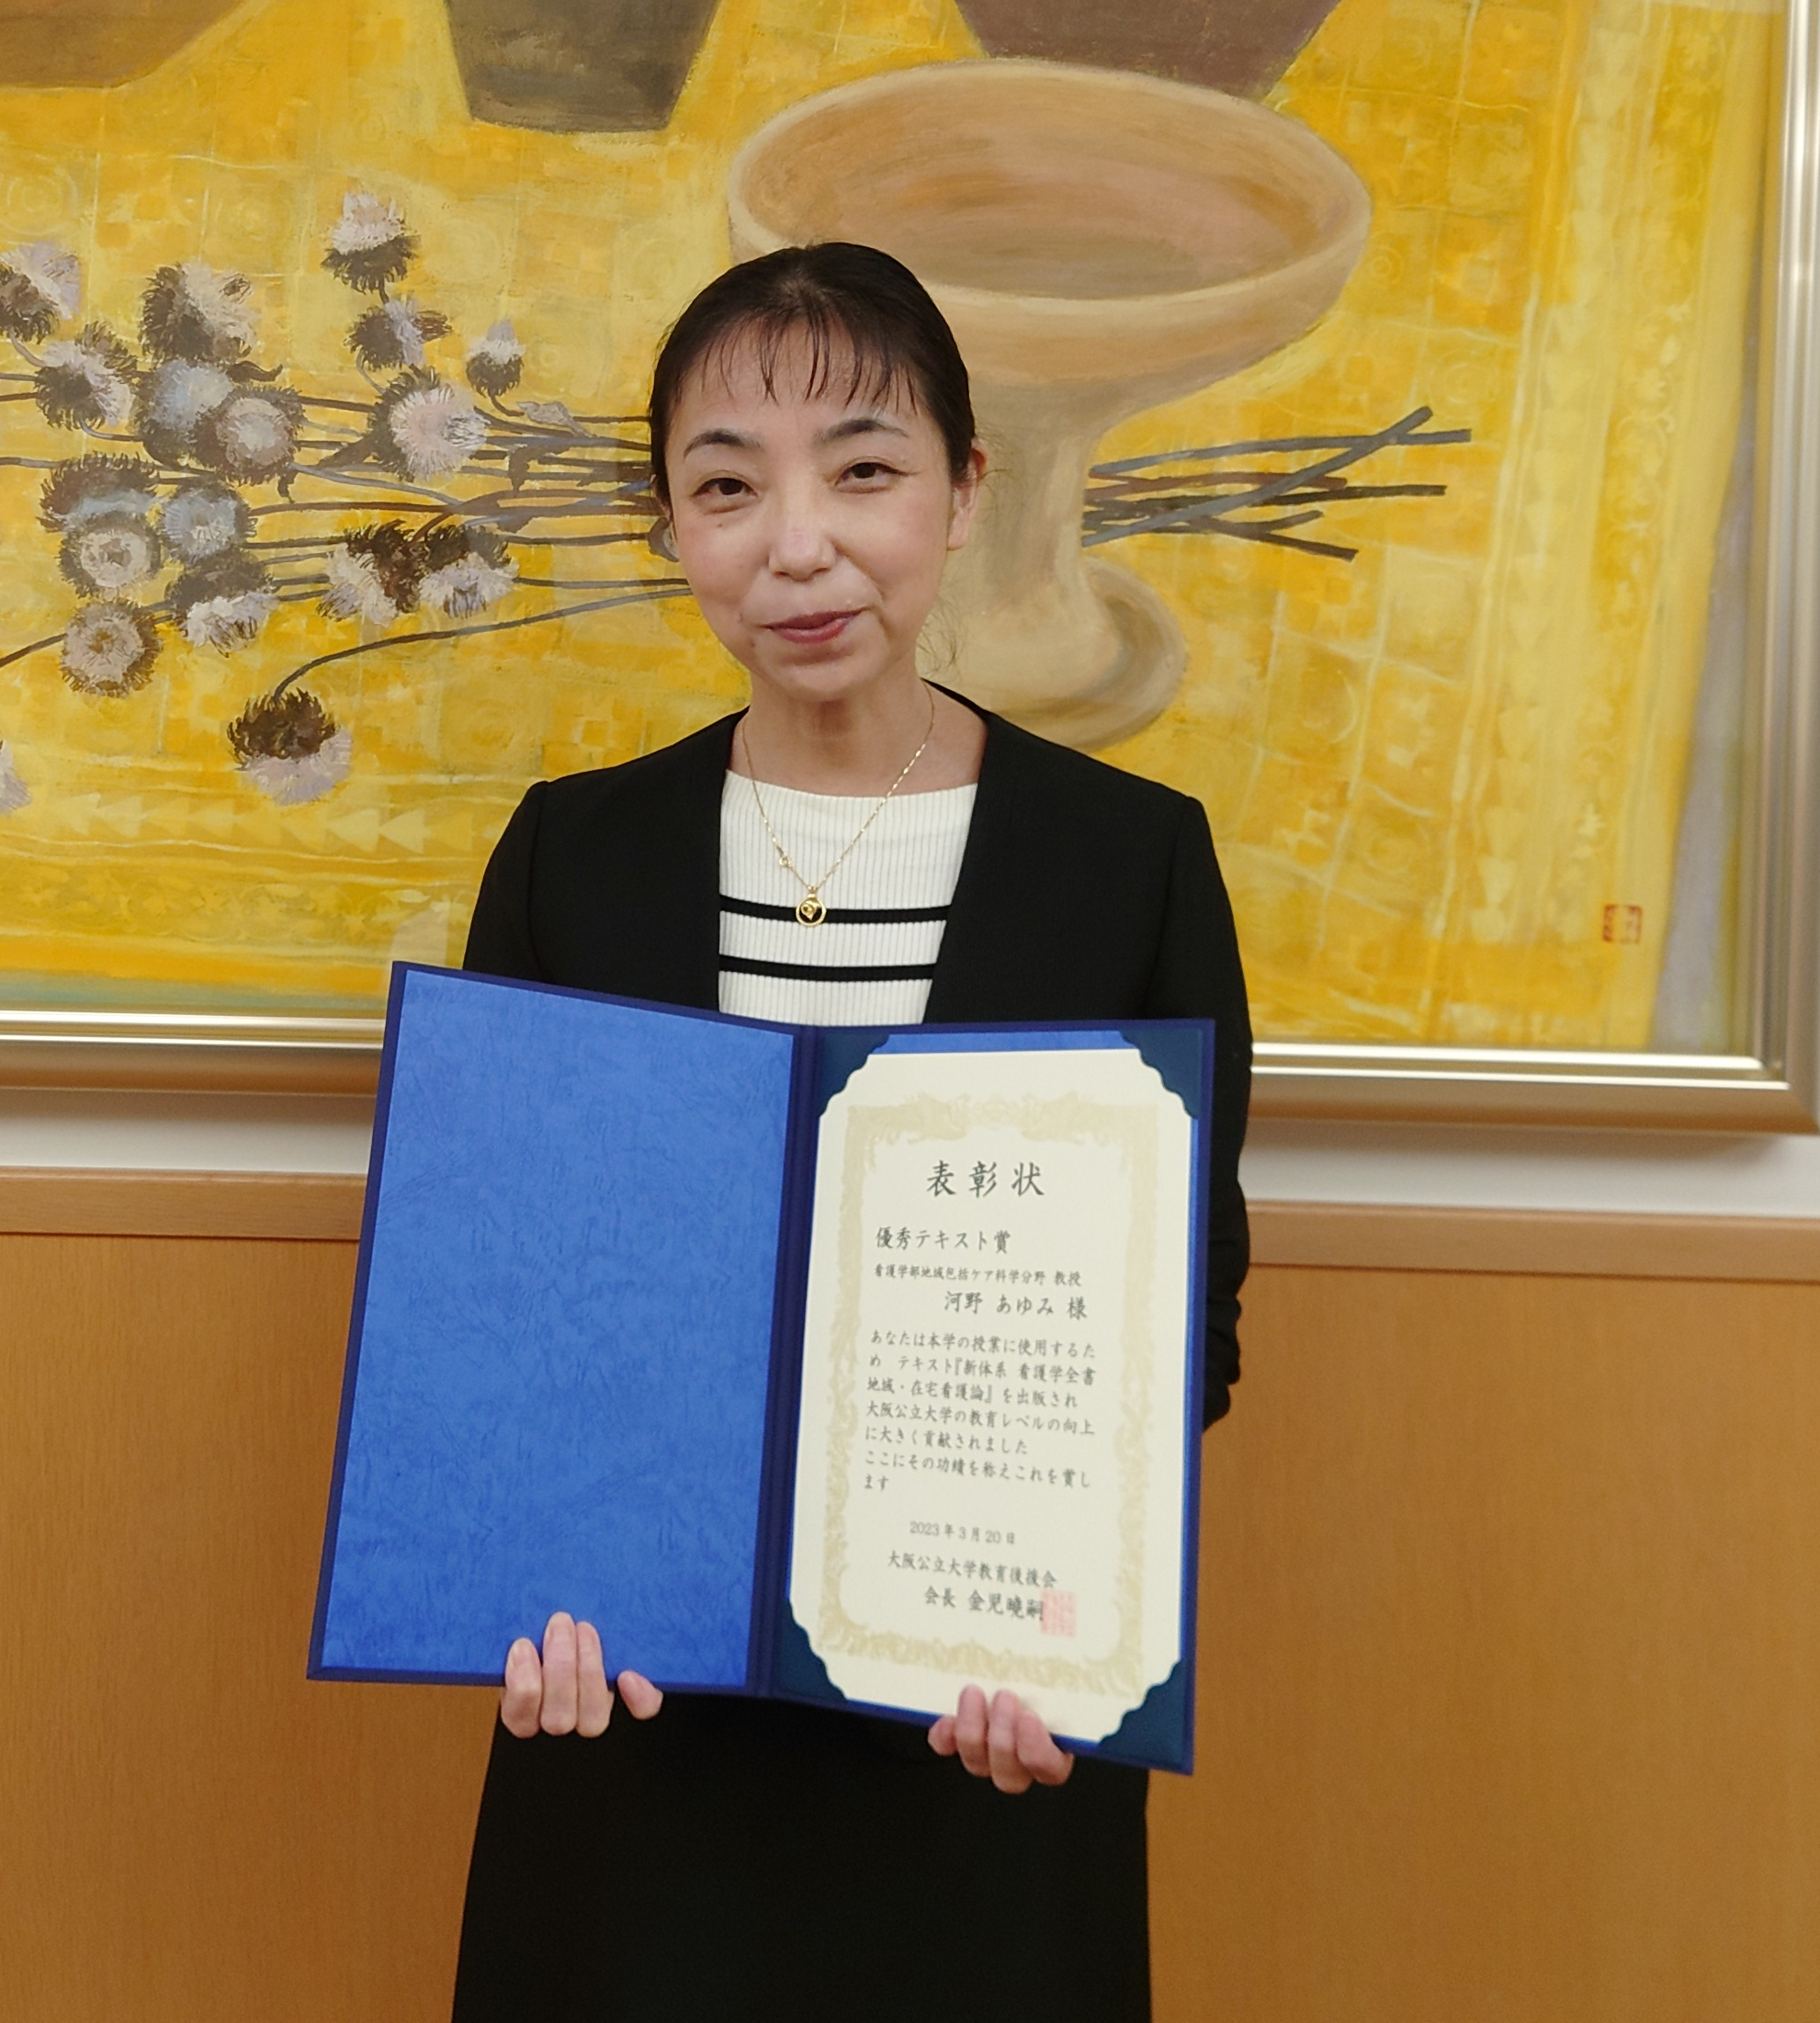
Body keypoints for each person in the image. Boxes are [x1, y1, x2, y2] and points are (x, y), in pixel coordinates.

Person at [451, 241, 1251, 2020]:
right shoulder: (575, 854)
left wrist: (1062, 1618)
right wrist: (519, 1580)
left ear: (965, 492)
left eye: (863, 470)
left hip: (984, 1725)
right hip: (634, 1709)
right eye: (727, 487)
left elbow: (1184, 1321)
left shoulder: (1128, 861)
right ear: (672, 527)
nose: (796, 546)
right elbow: (507, 1288)